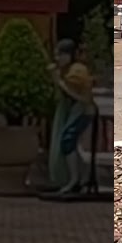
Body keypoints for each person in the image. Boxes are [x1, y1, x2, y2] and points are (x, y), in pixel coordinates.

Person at [46, 39, 96, 194]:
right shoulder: (68, 69)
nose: (58, 58)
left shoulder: (77, 70)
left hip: (83, 110)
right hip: (76, 111)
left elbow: (75, 94)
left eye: (61, 55)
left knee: (68, 141)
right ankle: (81, 177)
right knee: (71, 143)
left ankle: (75, 180)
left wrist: (58, 81)